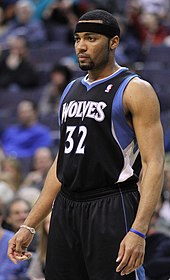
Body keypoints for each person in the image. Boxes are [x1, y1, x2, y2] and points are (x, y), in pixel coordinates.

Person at [8, 9, 164, 280]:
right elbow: (62, 163)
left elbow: (154, 163)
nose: (81, 45)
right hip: (67, 207)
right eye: (78, 38)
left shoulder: (135, 89)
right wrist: (29, 225)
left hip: (112, 204)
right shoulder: (70, 90)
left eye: (91, 38)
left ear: (113, 42)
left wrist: (139, 230)